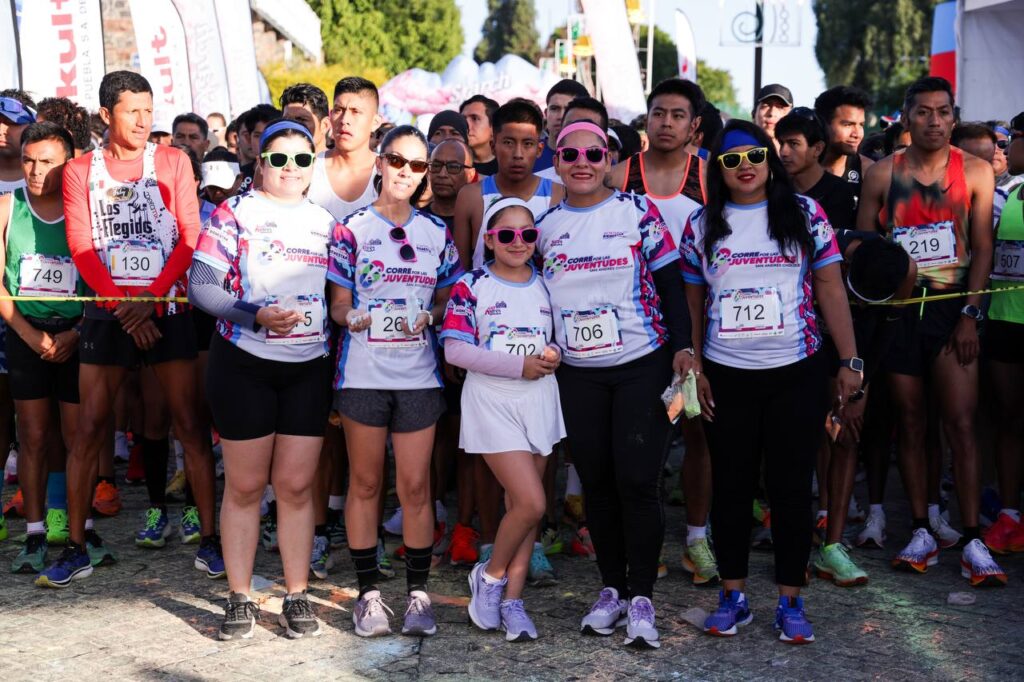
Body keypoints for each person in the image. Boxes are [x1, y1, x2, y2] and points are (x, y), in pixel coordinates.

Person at [36, 71, 219, 588]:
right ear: (105, 115)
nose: (143, 120)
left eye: (148, 109)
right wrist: (125, 307)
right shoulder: (79, 171)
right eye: (131, 110)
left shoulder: (173, 161)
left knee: (189, 423)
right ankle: (74, 545)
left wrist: (150, 299)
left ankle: (210, 540)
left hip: (166, 306)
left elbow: (190, 237)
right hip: (109, 312)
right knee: (90, 429)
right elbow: (81, 245)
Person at [681, 119, 860, 644]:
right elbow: (693, 301)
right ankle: (733, 596)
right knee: (732, 487)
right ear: (717, 168)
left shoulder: (804, 213)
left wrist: (850, 361)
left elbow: (830, 289)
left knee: (789, 489)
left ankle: (790, 599)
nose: (745, 167)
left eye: (754, 156)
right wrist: (693, 363)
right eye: (731, 160)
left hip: (795, 372)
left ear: (770, 158)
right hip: (727, 376)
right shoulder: (701, 224)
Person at [538, 120, 695, 649]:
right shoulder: (543, 225)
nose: (582, 161)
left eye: (593, 153)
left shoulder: (637, 213)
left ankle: (643, 596)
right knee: (598, 484)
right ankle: (612, 590)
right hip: (578, 373)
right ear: (556, 161)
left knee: (636, 482)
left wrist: (684, 347)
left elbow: (673, 284)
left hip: (640, 364)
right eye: (570, 153)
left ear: (609, 159)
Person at [858, 76, 1007, 586]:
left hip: (952, 310)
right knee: (911, 421)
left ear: (953, 114)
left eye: (943, 112)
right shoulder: (882, 174)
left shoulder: (979, 173)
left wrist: (972, 312)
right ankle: (921, 526)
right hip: (900, 312)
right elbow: (862, 247)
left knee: (961, 423)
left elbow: (983, 246)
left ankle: (971, 537)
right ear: (906, 118)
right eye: (923, 112)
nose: (935, 121)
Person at [190, 119, 332, 640]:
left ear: (313, 167)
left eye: (301, 160)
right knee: (247, 485)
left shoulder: (327, 222)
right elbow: (200, 285)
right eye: (278, 159)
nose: (290, 169)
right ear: (259, 164)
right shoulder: (235, 213)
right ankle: (240, 596)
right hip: (244, 364)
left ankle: (296, 596)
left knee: (296, 487)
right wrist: (252, 314)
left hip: (307, 368)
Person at [328, 125, 463, 638]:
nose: (407, 173)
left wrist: (432, 314)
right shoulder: (351, 229)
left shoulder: (436, 233)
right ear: (381, 163)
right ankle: (368, 595)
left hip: (418, 378)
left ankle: (418, 595)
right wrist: (352, 318)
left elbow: (449, 296)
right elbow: (337, 305)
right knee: (364, 483)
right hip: (363, 374)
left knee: (416, 486)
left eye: (419, 165)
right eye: (398, 162)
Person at [606, 78, 717, 586]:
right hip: (631, 330)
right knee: (637, 441)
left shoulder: (711, 176)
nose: (666, 123)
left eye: (677, 115)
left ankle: (697, 538)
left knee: (698, 432)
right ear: (646, 119)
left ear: (694, 125)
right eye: (658, 113)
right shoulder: (618, 174)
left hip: (695, 321)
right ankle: (639, 541)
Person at [443, 196, 566, 642]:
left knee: (524, 512)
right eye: (507, 234)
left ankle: (513, 601)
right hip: (492, 402)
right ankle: (490, 577)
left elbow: (561, 339)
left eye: (528, 234)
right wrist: (519, 366)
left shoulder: (549, 284)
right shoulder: (471, 285)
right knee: (533, 501)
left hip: (539, 401)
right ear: (490, 240)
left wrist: (554, 353)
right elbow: (455, 350)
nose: (519, 242)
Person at [0, 122, 82, 574]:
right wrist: (33, 337)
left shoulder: (84, 210)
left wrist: (75, 334)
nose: (36, 171)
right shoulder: (7, 207)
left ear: (69, 163)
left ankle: (78, 529)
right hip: (25, 330)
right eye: (29, 160)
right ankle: (33, 532)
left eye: (48, 162)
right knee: (31, 435)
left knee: (78, 437)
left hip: (77, 334)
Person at [982, 130, 1024, 554]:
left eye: (1014, 141)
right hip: (1004, 323)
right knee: (1008, 420)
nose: (1008, 150)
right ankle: (1009, 513)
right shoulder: (1004, 195)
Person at [308, 77, 381, 222]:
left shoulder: (388, 172)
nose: (344, 119)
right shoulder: (308, 168)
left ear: (375, 122)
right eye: (338, 110)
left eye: (356, 111)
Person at [776, 108, 858, 231]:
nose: (784, 152)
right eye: (781, 143)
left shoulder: (838, 192)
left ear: (818, 148)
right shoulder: (775, 189)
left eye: (793, 144)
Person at [813, 86, 875, 200]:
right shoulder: (797, 167)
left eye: (861, 125)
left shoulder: (868, 171)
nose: (857, 134)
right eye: (847, 124)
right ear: (823, 124)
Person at [534, 79, 589, 172]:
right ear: (546, 114)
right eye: (555, 108)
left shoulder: (599, 158)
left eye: (569, 109)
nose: (561, 116)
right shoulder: (528, 154)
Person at [280, 83, 332, 154]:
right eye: (287, 120)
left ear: (325, 125)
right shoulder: (272, 163)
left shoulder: (346, 164)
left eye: (301, 120)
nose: (292, 127)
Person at [460, 95, 499, 175]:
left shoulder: (508, 165)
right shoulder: (453, 165)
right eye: (463, 119)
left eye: (474, 118)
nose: (466, 125)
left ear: (493, 127)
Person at [753, 84, 793, 150]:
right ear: (754, 113)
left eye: (780, 107)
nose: (772, 113)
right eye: (765, 106)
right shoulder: (740, 154)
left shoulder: (801, 158)